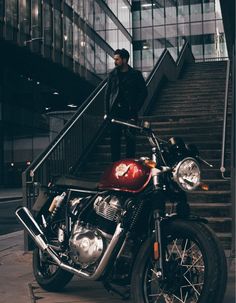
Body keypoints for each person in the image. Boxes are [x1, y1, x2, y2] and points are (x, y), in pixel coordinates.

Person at [104, 48, 148, 162]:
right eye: (115, 59)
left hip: (130, 113)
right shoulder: (112, 75)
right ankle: (116, 170)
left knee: (130, 143)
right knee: (115, 144)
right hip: (115, 113)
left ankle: (129, 170)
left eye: (117, 59)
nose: (115, 62)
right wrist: (107, 113)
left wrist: (135, 108)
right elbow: (107, 95)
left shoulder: (136, 74)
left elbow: (144, 92)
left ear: (124, 60)